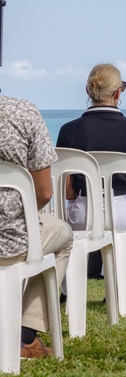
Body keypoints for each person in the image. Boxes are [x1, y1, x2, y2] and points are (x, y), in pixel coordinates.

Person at [0, 94, 74, 359]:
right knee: (63, 236)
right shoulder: (23, 112)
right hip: (12, 241)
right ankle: (25, 335)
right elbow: (44, 192)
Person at [56, 63, 126, 232]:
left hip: (85, 215)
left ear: (88, 91)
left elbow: (66, 191)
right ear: (118, 92)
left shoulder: (69, 130)